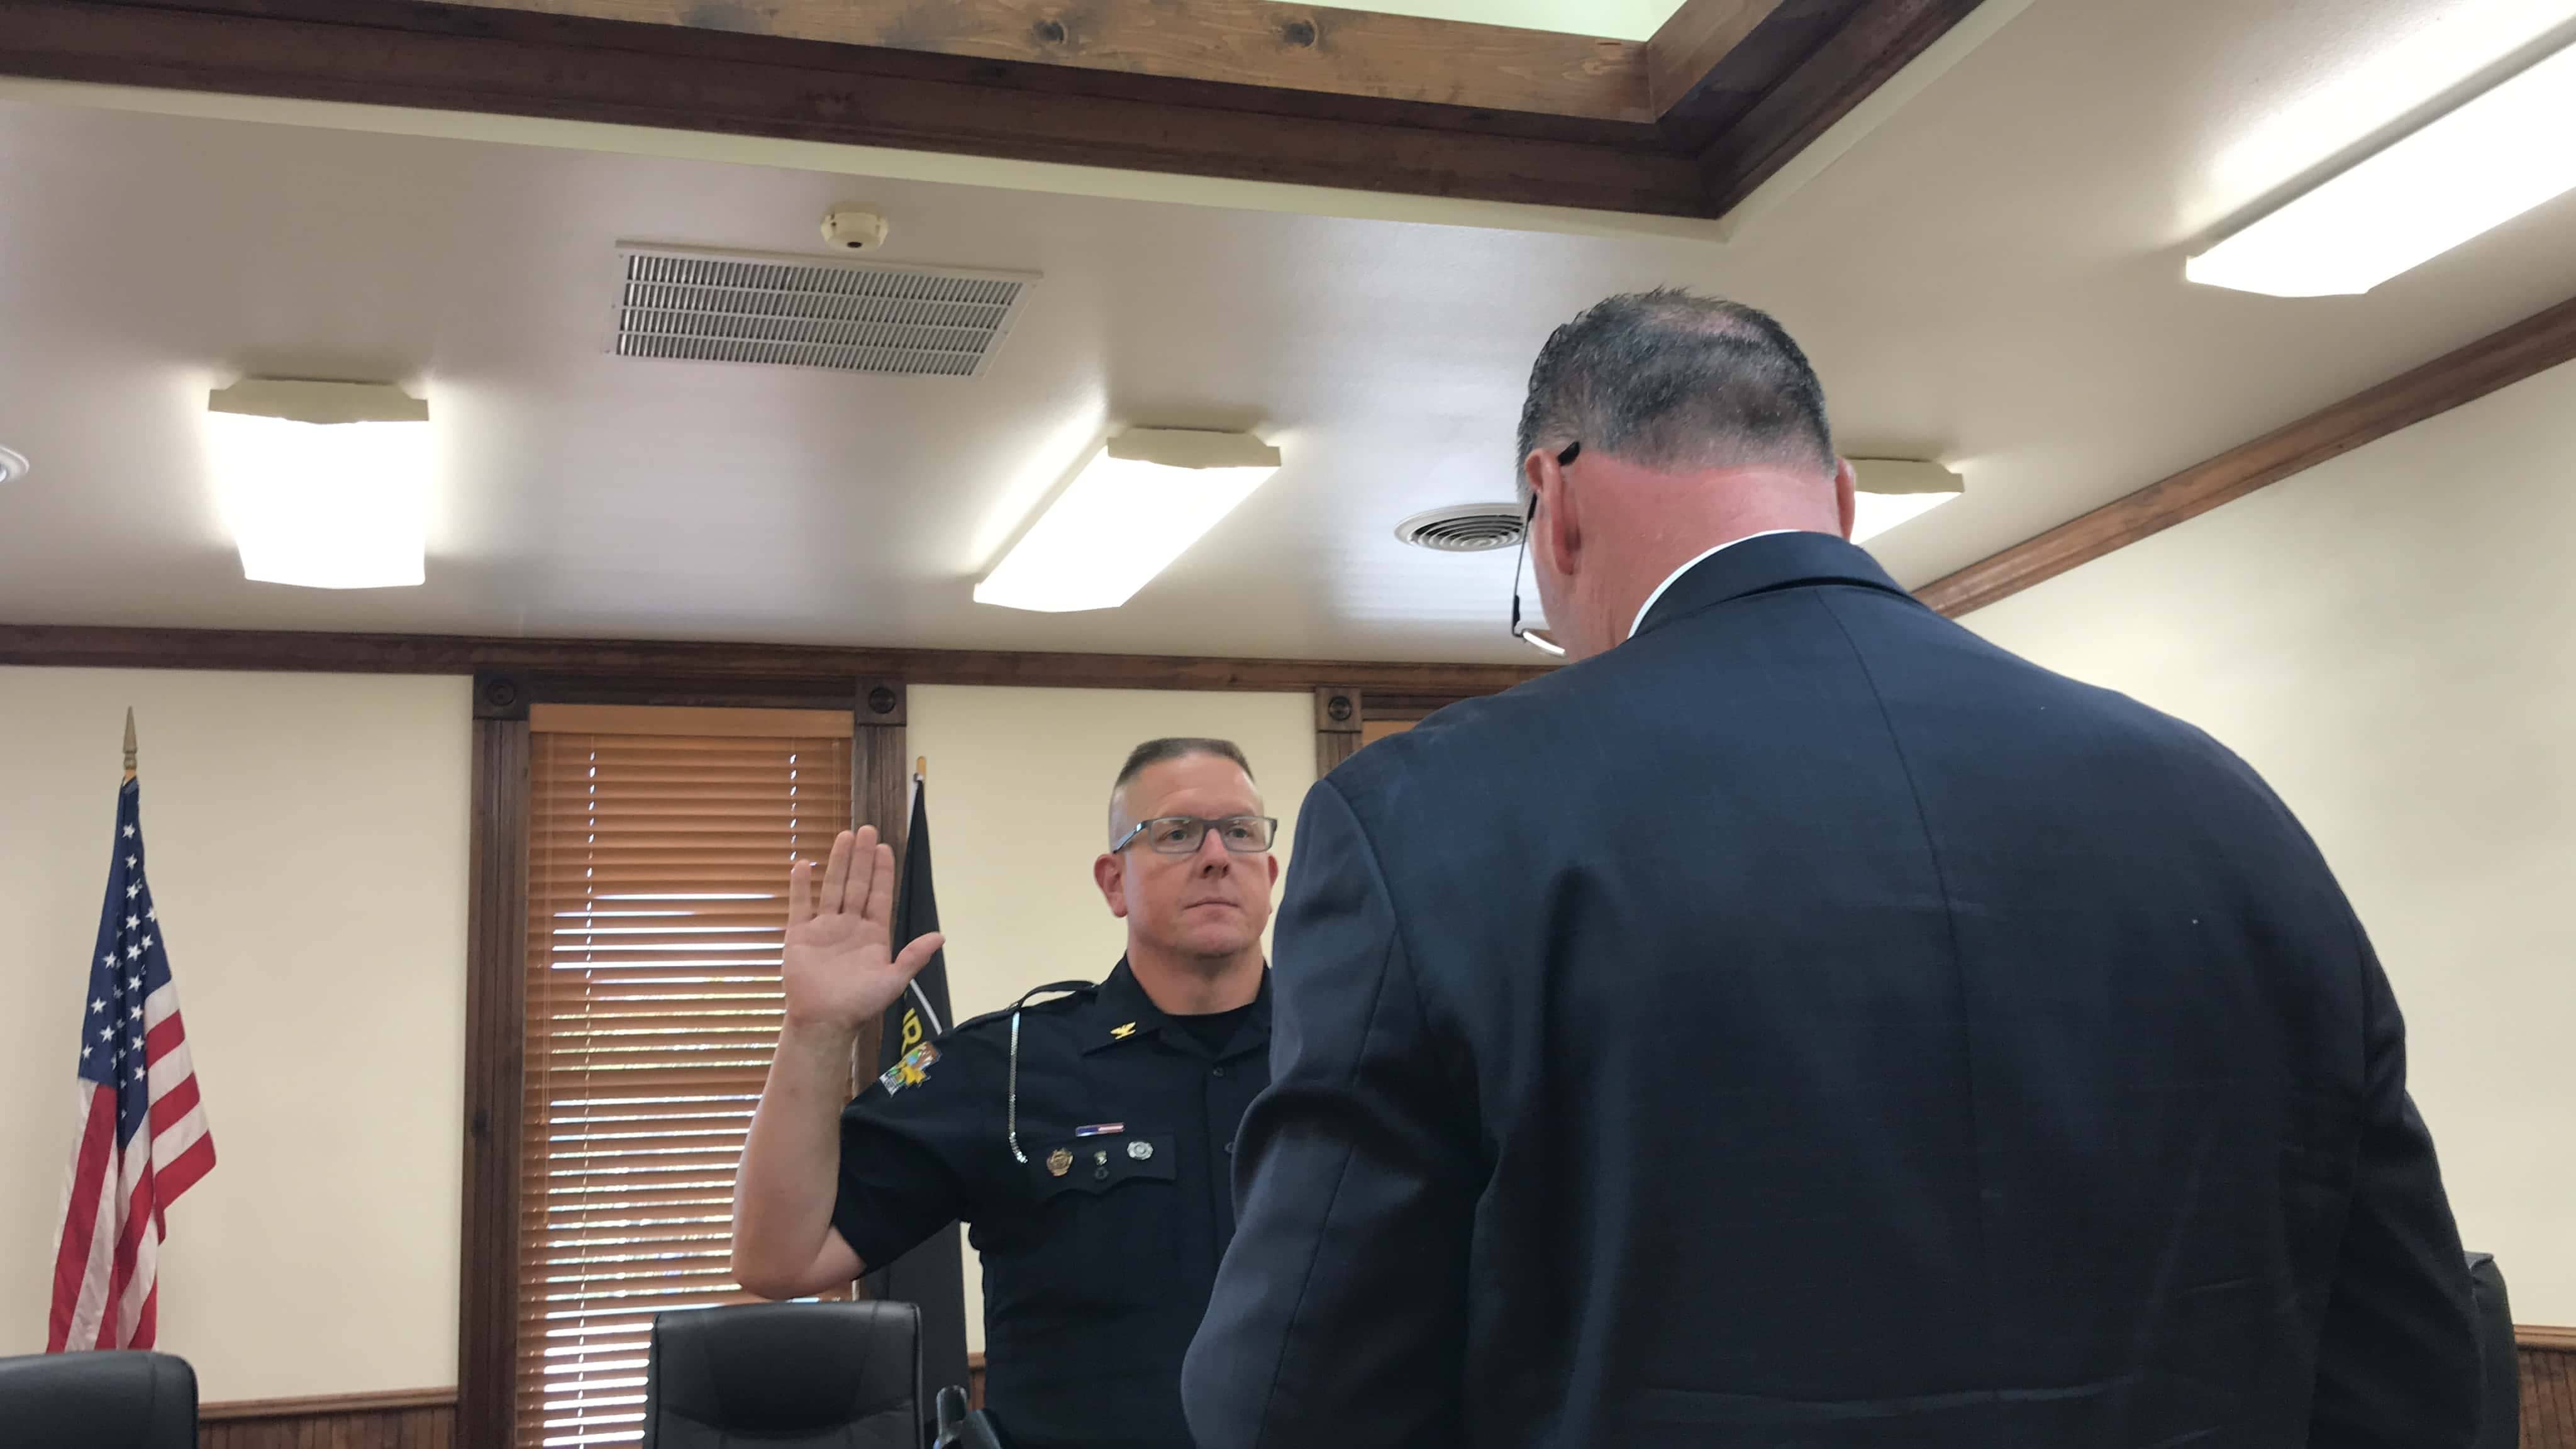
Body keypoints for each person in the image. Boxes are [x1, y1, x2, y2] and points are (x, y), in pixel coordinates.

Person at [1182, 290, 2484, 1448]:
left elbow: (1293, 1397)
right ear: (1843, 499)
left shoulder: (1428, 818)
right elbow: (2406, 1365)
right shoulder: (2226, 810)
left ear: (1554, 505)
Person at [733, 737, 1282, 1449]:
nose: (1215, 856)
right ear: (1113, 882)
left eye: (1239, 831)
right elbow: (779, 1259)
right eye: (1176, 833)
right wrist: (814, 1031)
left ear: (1269, 873)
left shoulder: (1354, 1059)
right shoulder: (1005, 1066)